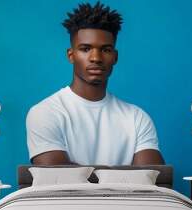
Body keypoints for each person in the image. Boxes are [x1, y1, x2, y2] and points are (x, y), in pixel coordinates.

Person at [26, 1, 165, 166]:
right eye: (85, 49)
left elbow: (150, 180)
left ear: (115, 57)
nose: (96, 58)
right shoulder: (45, 112)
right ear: (71, 55)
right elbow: (56, 180)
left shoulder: (136, 118)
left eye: (105, 50)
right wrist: (121, 179)